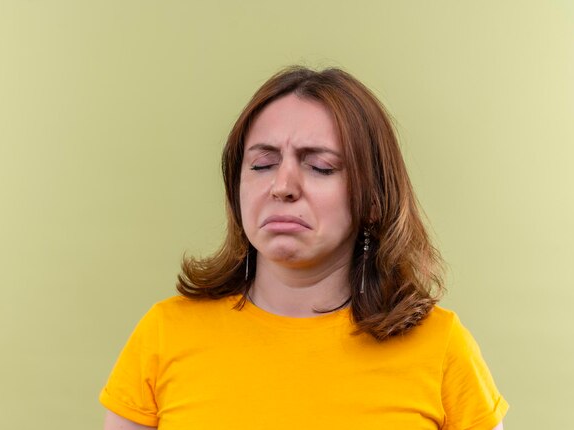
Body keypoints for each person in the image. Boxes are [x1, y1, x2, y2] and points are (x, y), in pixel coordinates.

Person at [99, 66, 508, 429]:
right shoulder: (164, 334)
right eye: (262, 164)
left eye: (320, 167)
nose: (283, 186)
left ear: (373, 199)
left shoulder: (442, 348)